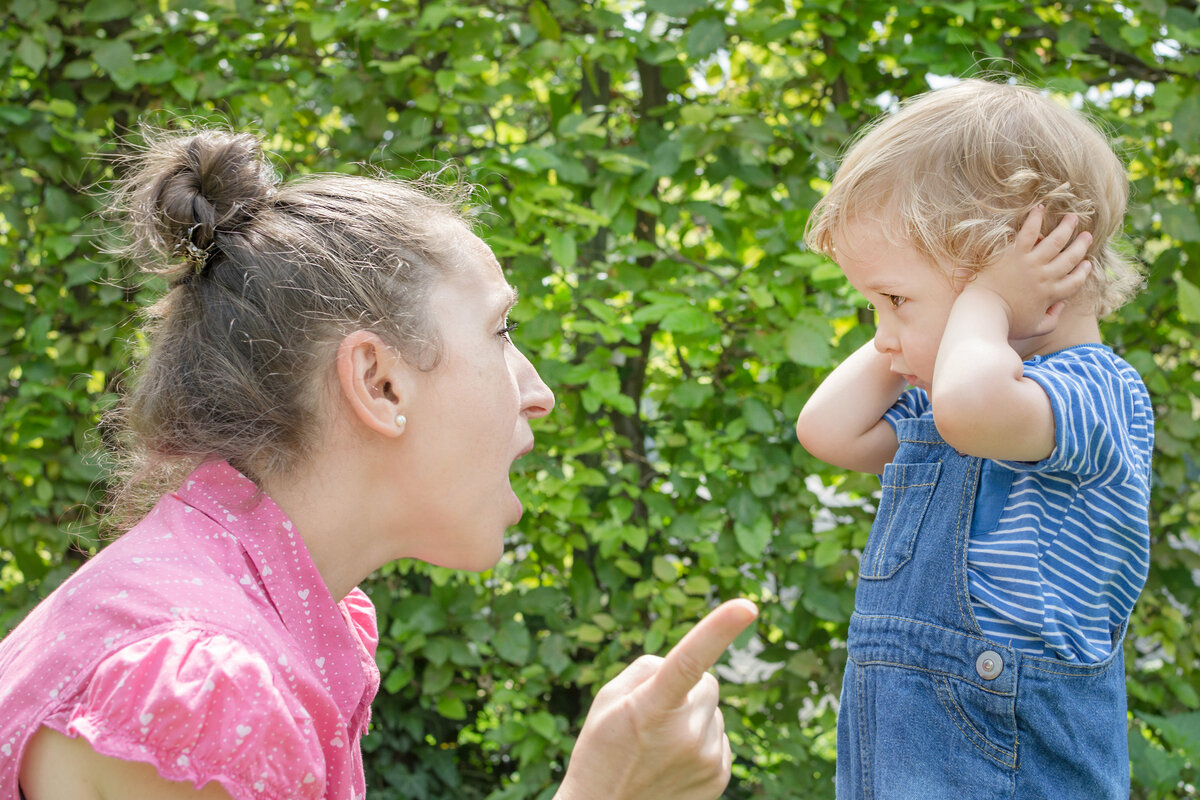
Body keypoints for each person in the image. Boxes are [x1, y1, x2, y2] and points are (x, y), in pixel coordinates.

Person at [0, 128, 758, 800]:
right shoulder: (208, 690)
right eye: (501, 330)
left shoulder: (224, 607)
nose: (540, 395)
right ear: (378, 383)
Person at [794, 79, 1154, 799]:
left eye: (893, 300)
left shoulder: (1092, 394)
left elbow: (967, 406)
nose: (881, 336)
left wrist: (987, 297)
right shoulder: (953, 395)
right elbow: (827, 431)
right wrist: (908, 328)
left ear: (1026, 268)